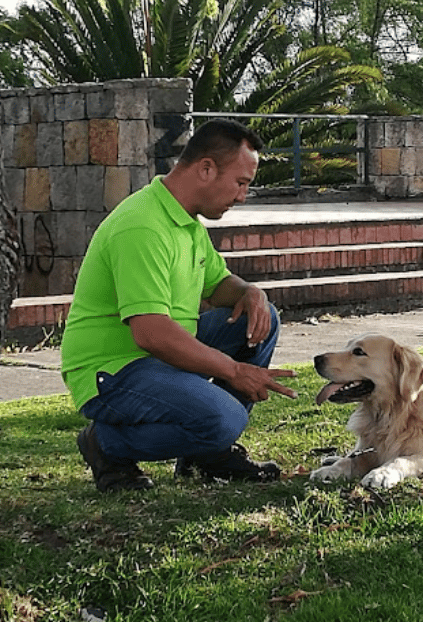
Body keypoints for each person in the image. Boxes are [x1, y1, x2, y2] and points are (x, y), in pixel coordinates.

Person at [60, 118, 297, 492]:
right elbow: (151, 333)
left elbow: (218, 285)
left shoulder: (186, 222)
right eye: (240, 183)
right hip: (113, 371)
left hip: (156, 357)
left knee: (260, 317)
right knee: (224, 419)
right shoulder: (142, 226)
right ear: (206, 169)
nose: (242, 196)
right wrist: (234, 371)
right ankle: (104, 444)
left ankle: (208, 455)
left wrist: (250, 292)